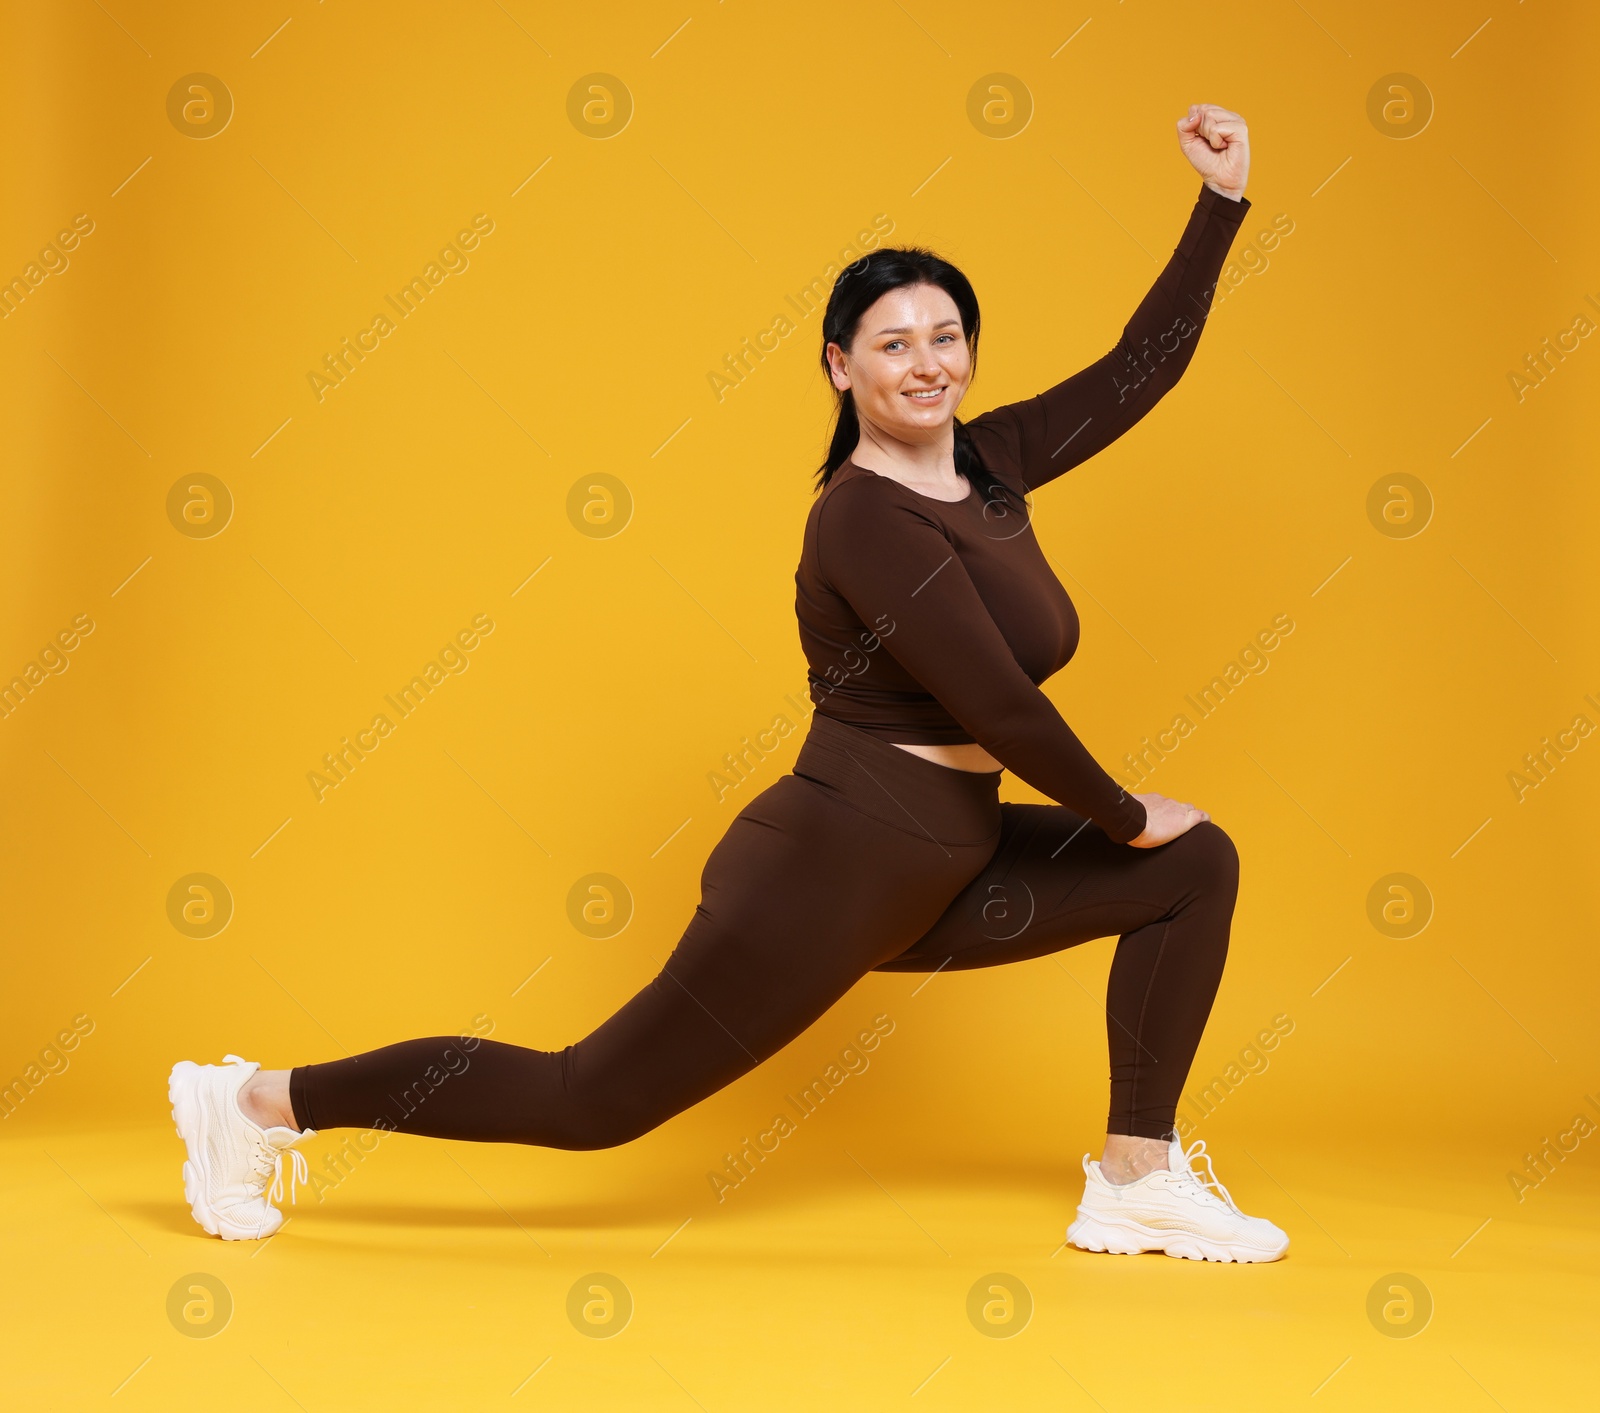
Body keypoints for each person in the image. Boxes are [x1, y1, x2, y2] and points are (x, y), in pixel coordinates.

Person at [168, 102, 1288, 1263]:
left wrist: (1220, 203)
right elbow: (996, 705)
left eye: (945, 336)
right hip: (832, 866)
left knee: (1193, 868)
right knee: (587, 1102)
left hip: (946, 856)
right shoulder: (861, 521)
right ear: (837, 364)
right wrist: (1117, 814)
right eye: (892, 342)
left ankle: (1135, 1179)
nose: (926, 363)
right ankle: (252, 1103)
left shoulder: (986, 463)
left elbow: (1137, 372)